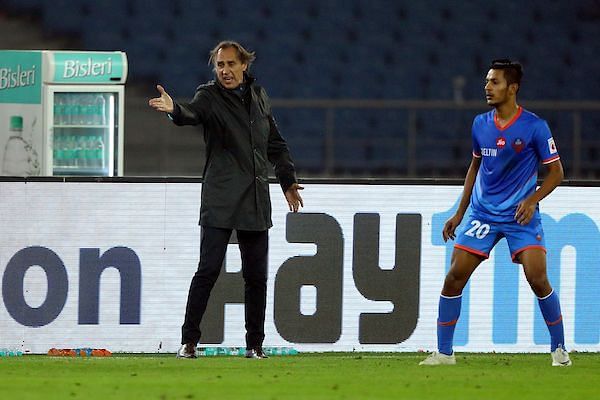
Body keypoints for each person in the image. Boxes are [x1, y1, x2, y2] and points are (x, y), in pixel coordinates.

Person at [149, 40, 304, 359]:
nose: (225, 71)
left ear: (244, 65)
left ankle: (254, 346)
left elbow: (276, 145)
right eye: (220, 65)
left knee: (256, 277)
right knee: (208, 270)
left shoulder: (260, 97)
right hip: (221, 197)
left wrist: (287, 181)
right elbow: (190, 114)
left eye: (231, 64)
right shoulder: (209, 96)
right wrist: (174, 110)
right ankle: (188, 342)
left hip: (255, 199)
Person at [420, 59, 571, 366]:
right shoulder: (480, 124)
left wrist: (531, 200)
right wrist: (459, 214)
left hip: (519, 216)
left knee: (537, 278)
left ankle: (559, 349)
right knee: (453, 277)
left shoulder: (535, 127)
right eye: (487, 81)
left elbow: (556, 173)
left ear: (512, 88)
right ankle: (444, 353)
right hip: (483, 214)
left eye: (495, 82)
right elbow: (475, 167)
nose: (487, 87)